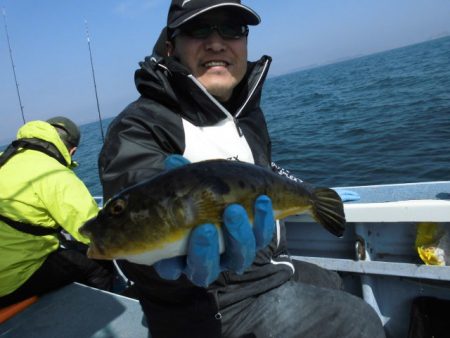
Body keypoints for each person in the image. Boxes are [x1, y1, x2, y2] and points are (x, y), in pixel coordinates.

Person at [98, 1, 385, 337]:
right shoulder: (143, 124)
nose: (217, 41)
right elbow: (133, 184)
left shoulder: (245, 116)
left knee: (334, 282)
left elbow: (260, 178)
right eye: (198, 28)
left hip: (269, 269)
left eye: (232, 28)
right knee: (360, 321)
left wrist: (311, 197)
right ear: (170, 46)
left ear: (245, 42)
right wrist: (164, 254)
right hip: (215, 304)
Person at [0, 117, 114, 308]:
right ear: (72, 151)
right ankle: (99, 316)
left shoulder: (5, 158)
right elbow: (98, 235)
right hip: (10, 280)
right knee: (98, 265)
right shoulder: (55, 174)